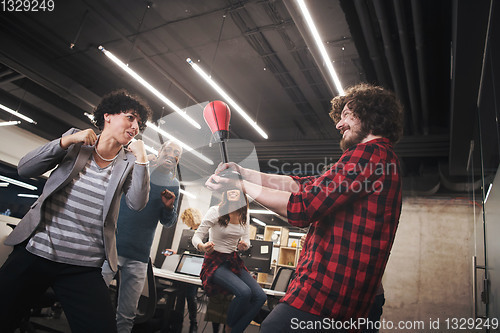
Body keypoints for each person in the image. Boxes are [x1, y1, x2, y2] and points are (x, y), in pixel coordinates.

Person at [205, 83, 403, 332]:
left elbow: (303, 207)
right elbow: (301, 186)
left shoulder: (369, 154)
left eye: (346, 115)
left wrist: (241, 186)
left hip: (328, 295)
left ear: (369, 113)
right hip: (350, 299)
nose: (339, 125)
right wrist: (245, 173)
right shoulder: (380, 158)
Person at [0, 89, 152, 333]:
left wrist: (143, 160)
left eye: (140, 123)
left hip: (82, 267)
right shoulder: (75, 142)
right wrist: (65, 141)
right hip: (37, 251)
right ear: (108, 116)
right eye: (130, 117)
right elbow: (25, 168)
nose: (135, 126)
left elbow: (137, 204)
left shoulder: (130, 162)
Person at [101, 140, 182, 333]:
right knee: (90, 302)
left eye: (176, 153)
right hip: (113, 246)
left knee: (127, 315)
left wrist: (168, 206)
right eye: (168, 150)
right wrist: (140, 159)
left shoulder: (174, 184)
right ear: (160, 151)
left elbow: (168, 221)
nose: (171, 154)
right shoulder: (138, 167)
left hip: (139, 256)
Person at [192, 189, 267, 333]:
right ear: (225, 193)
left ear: (241, 194)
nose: (232, 191)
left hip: (233, 260)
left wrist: (244, 245)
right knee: (244, 292)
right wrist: (202, 246)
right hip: (214, 261)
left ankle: (233, 329)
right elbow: (197, 237)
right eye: (229, 189)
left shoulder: (244, 214)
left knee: (260, 297)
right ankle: (231, 327)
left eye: (236, 189)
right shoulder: (215, 211)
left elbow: (246, 240)